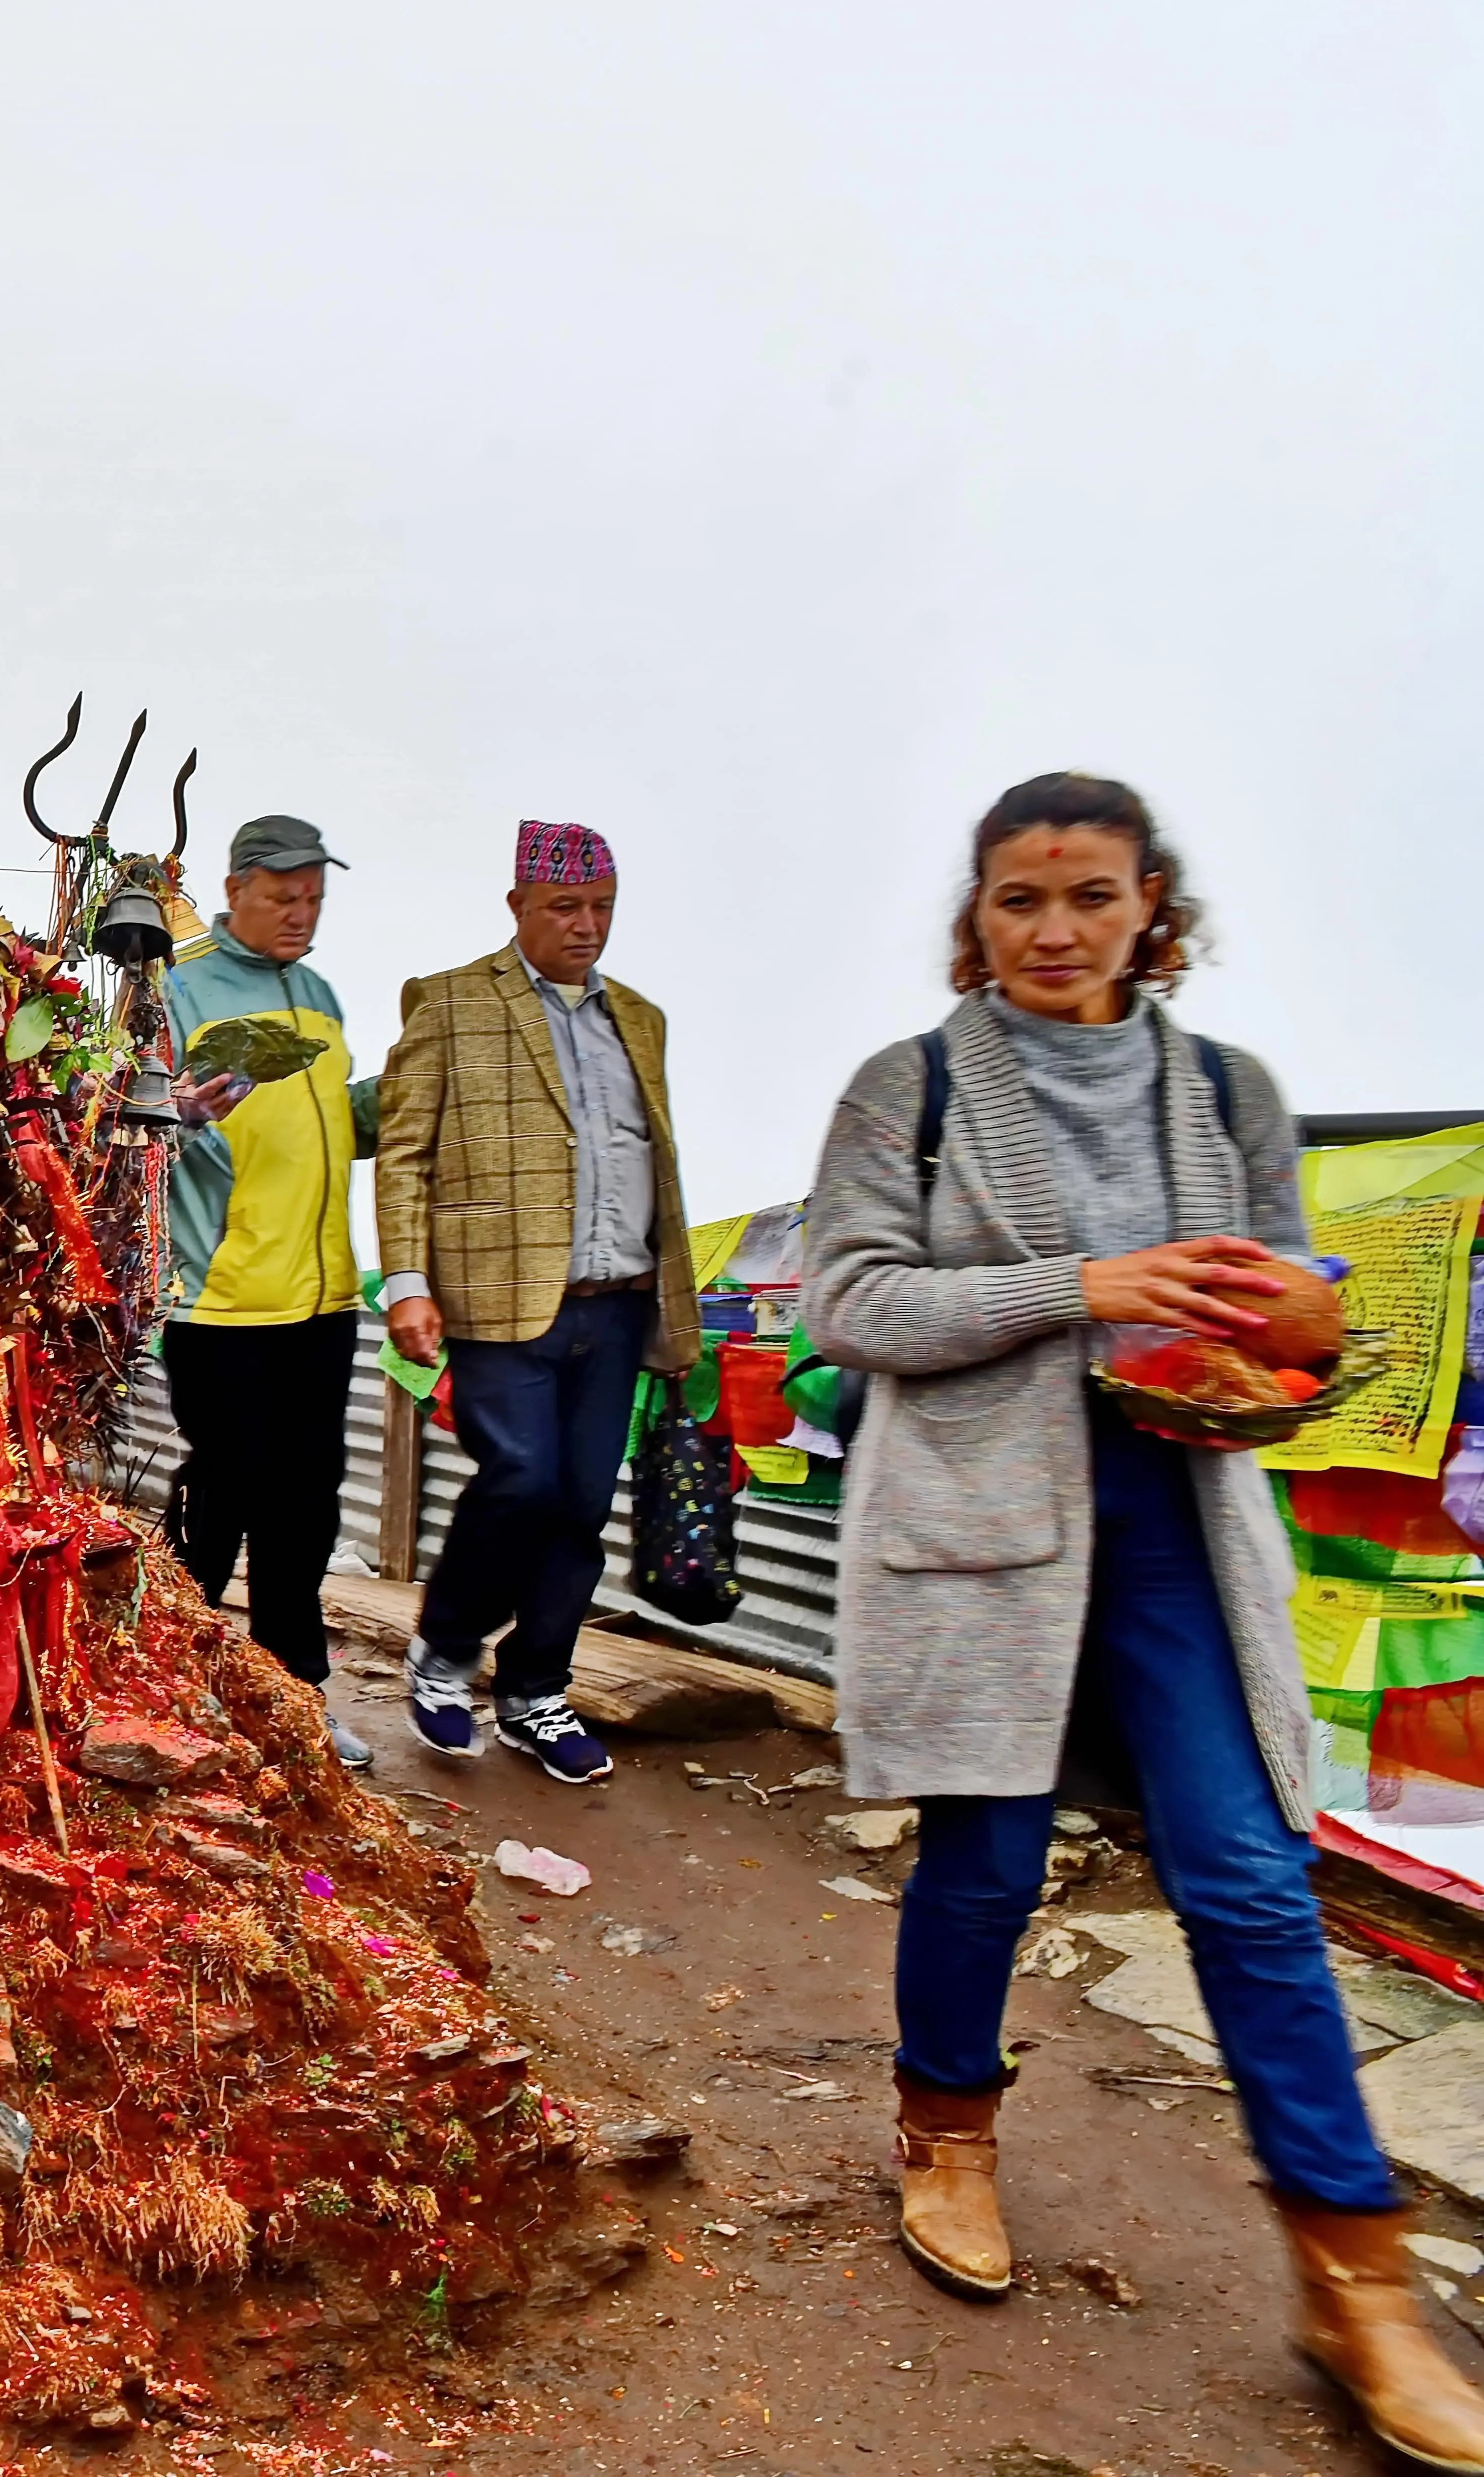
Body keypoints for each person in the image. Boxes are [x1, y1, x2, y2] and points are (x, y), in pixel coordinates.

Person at [801, 774, 1484, 2460]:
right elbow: (849, 1300)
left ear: (1147, 906)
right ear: (977, 916)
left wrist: (1296, 1317)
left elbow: (1306, 1321)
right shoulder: (911, 1086)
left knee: (1249, 1877)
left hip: (1179, 1521)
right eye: (1019, 898)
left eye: (1089, 895)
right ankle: (946, 2134)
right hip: (982, 1526)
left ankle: (1354, 2277)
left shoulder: (1227, 1091)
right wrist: (1082, 1286)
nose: (1054, 929)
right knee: (984, 1862)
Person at [372, 820, 695, 1784]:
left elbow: (653, 1160)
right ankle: (443, 1652)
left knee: (581, 1504)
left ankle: (534, 1693)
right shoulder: (450, 1001)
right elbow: (404, 1154)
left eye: (601, 907)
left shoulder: (639, 1018)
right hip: (498, 1298)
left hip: (618, 1301)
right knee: (521, 1476)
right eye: (564, 907)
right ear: (517, 905)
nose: (586, 925)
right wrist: (406, 1282)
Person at [160, 812, 381, 1769]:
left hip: (322, 1297)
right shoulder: (175, 987)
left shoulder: (318, 994)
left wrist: (397, 1097)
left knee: (308, 1504)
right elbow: (115, 1112)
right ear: (236, 889)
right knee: (226, 1490)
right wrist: (174, 1109)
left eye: (314, 899)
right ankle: (170, 1676)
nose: (302, 914)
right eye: (285, 897)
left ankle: (297, 1692)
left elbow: (331, 1126)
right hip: (221, 1299)